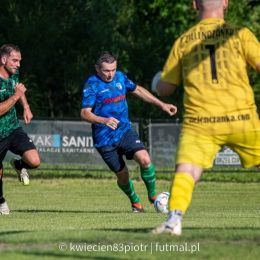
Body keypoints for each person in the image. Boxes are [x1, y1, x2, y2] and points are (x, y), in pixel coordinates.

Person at [151, 0, 260, 235]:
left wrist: (157, 82)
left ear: (193, 4)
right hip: (241, 117)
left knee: (187, 171)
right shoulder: (241, 34)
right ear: (225, 3)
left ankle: (173, 220)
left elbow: (166, 88)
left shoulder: (184, 41)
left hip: (200, 122)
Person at [81, 51, 177, 212]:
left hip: (124, 131)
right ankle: (135, 203)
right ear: (97, 68)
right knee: (123, 175)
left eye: (113, 69)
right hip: (104, 139)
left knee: (145, 159)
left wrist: (162, 105)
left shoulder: (120, 77)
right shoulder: (92, 85)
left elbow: (138, 90)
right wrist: (103, 120)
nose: (110, 74)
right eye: (106, 70)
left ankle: (153, 196)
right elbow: (85, 113)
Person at [0, 44, 41, 214]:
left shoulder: (13, 75)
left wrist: (26, 105)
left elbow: (19, 88)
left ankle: (18, 165)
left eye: (19, 61)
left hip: (13, 129)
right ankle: (1, 200)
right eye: (15, 60)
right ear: (3, 60)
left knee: (34, 161)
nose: (18, 64)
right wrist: (16, 97)